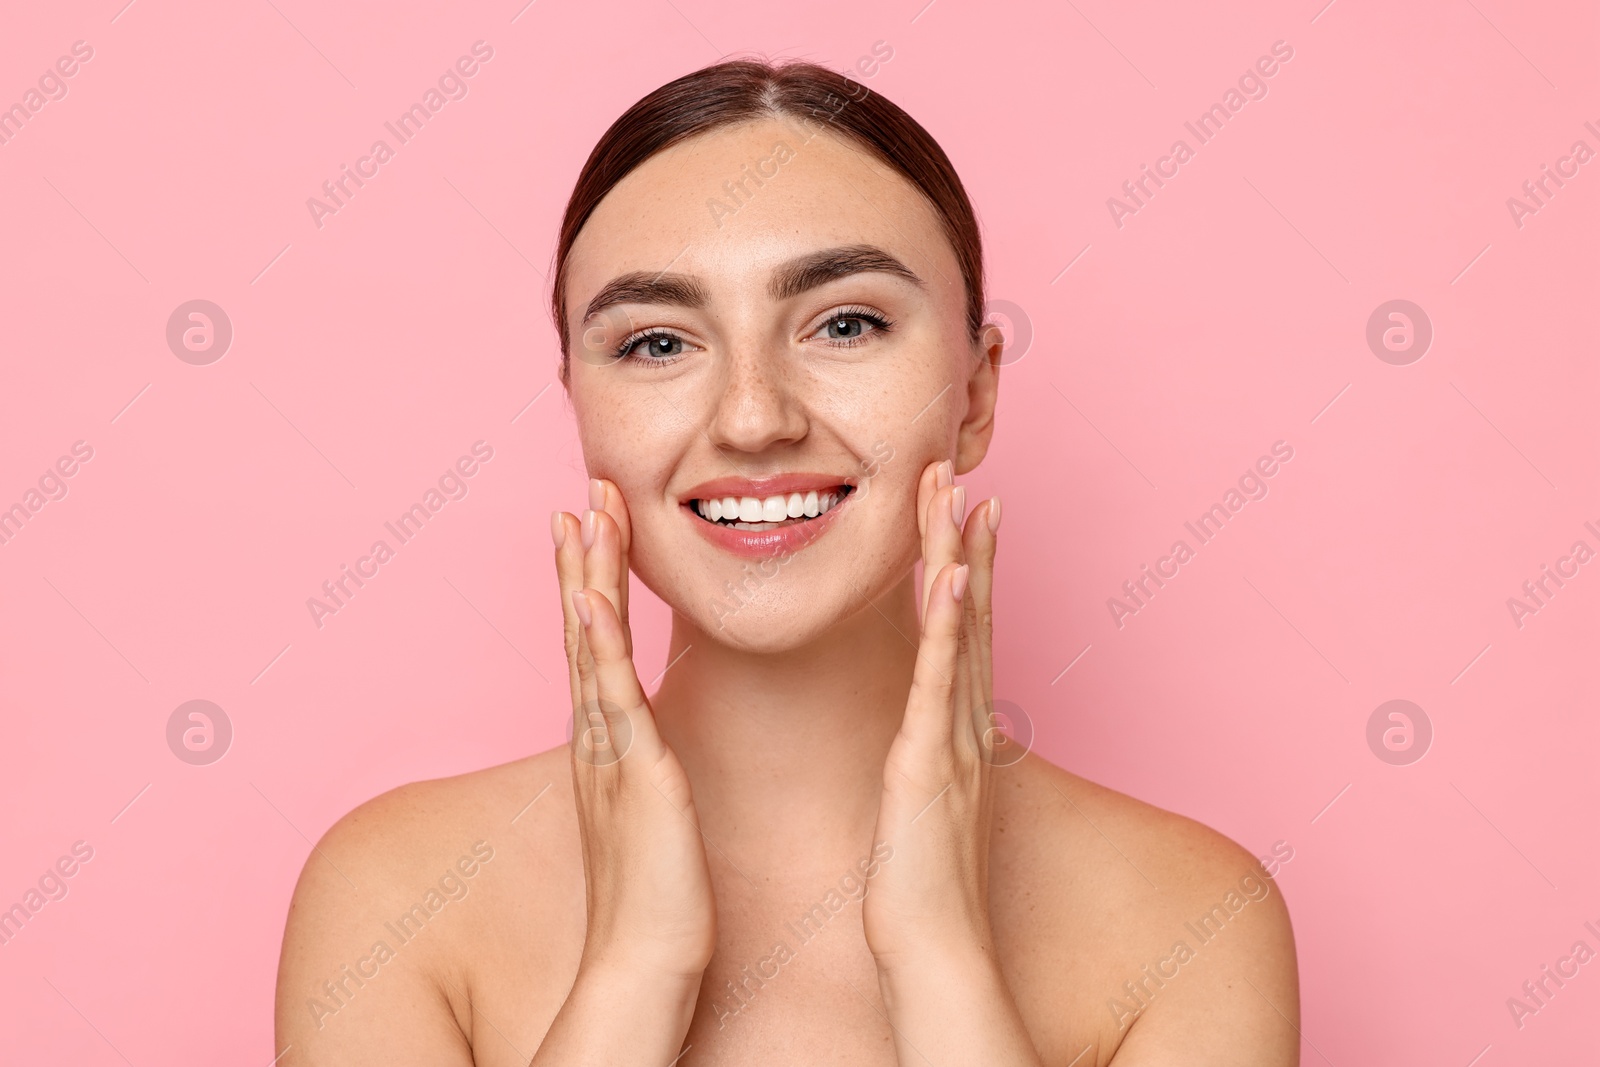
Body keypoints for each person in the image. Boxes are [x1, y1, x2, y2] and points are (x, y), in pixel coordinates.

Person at [274, 57, 1299, 1065]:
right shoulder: (395, 902)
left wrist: (940, 961)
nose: (754, 418)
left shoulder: (1193, 923)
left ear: (976, 395)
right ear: (579, 404)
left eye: (845, 323)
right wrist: (636, 969)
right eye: (657, 344)